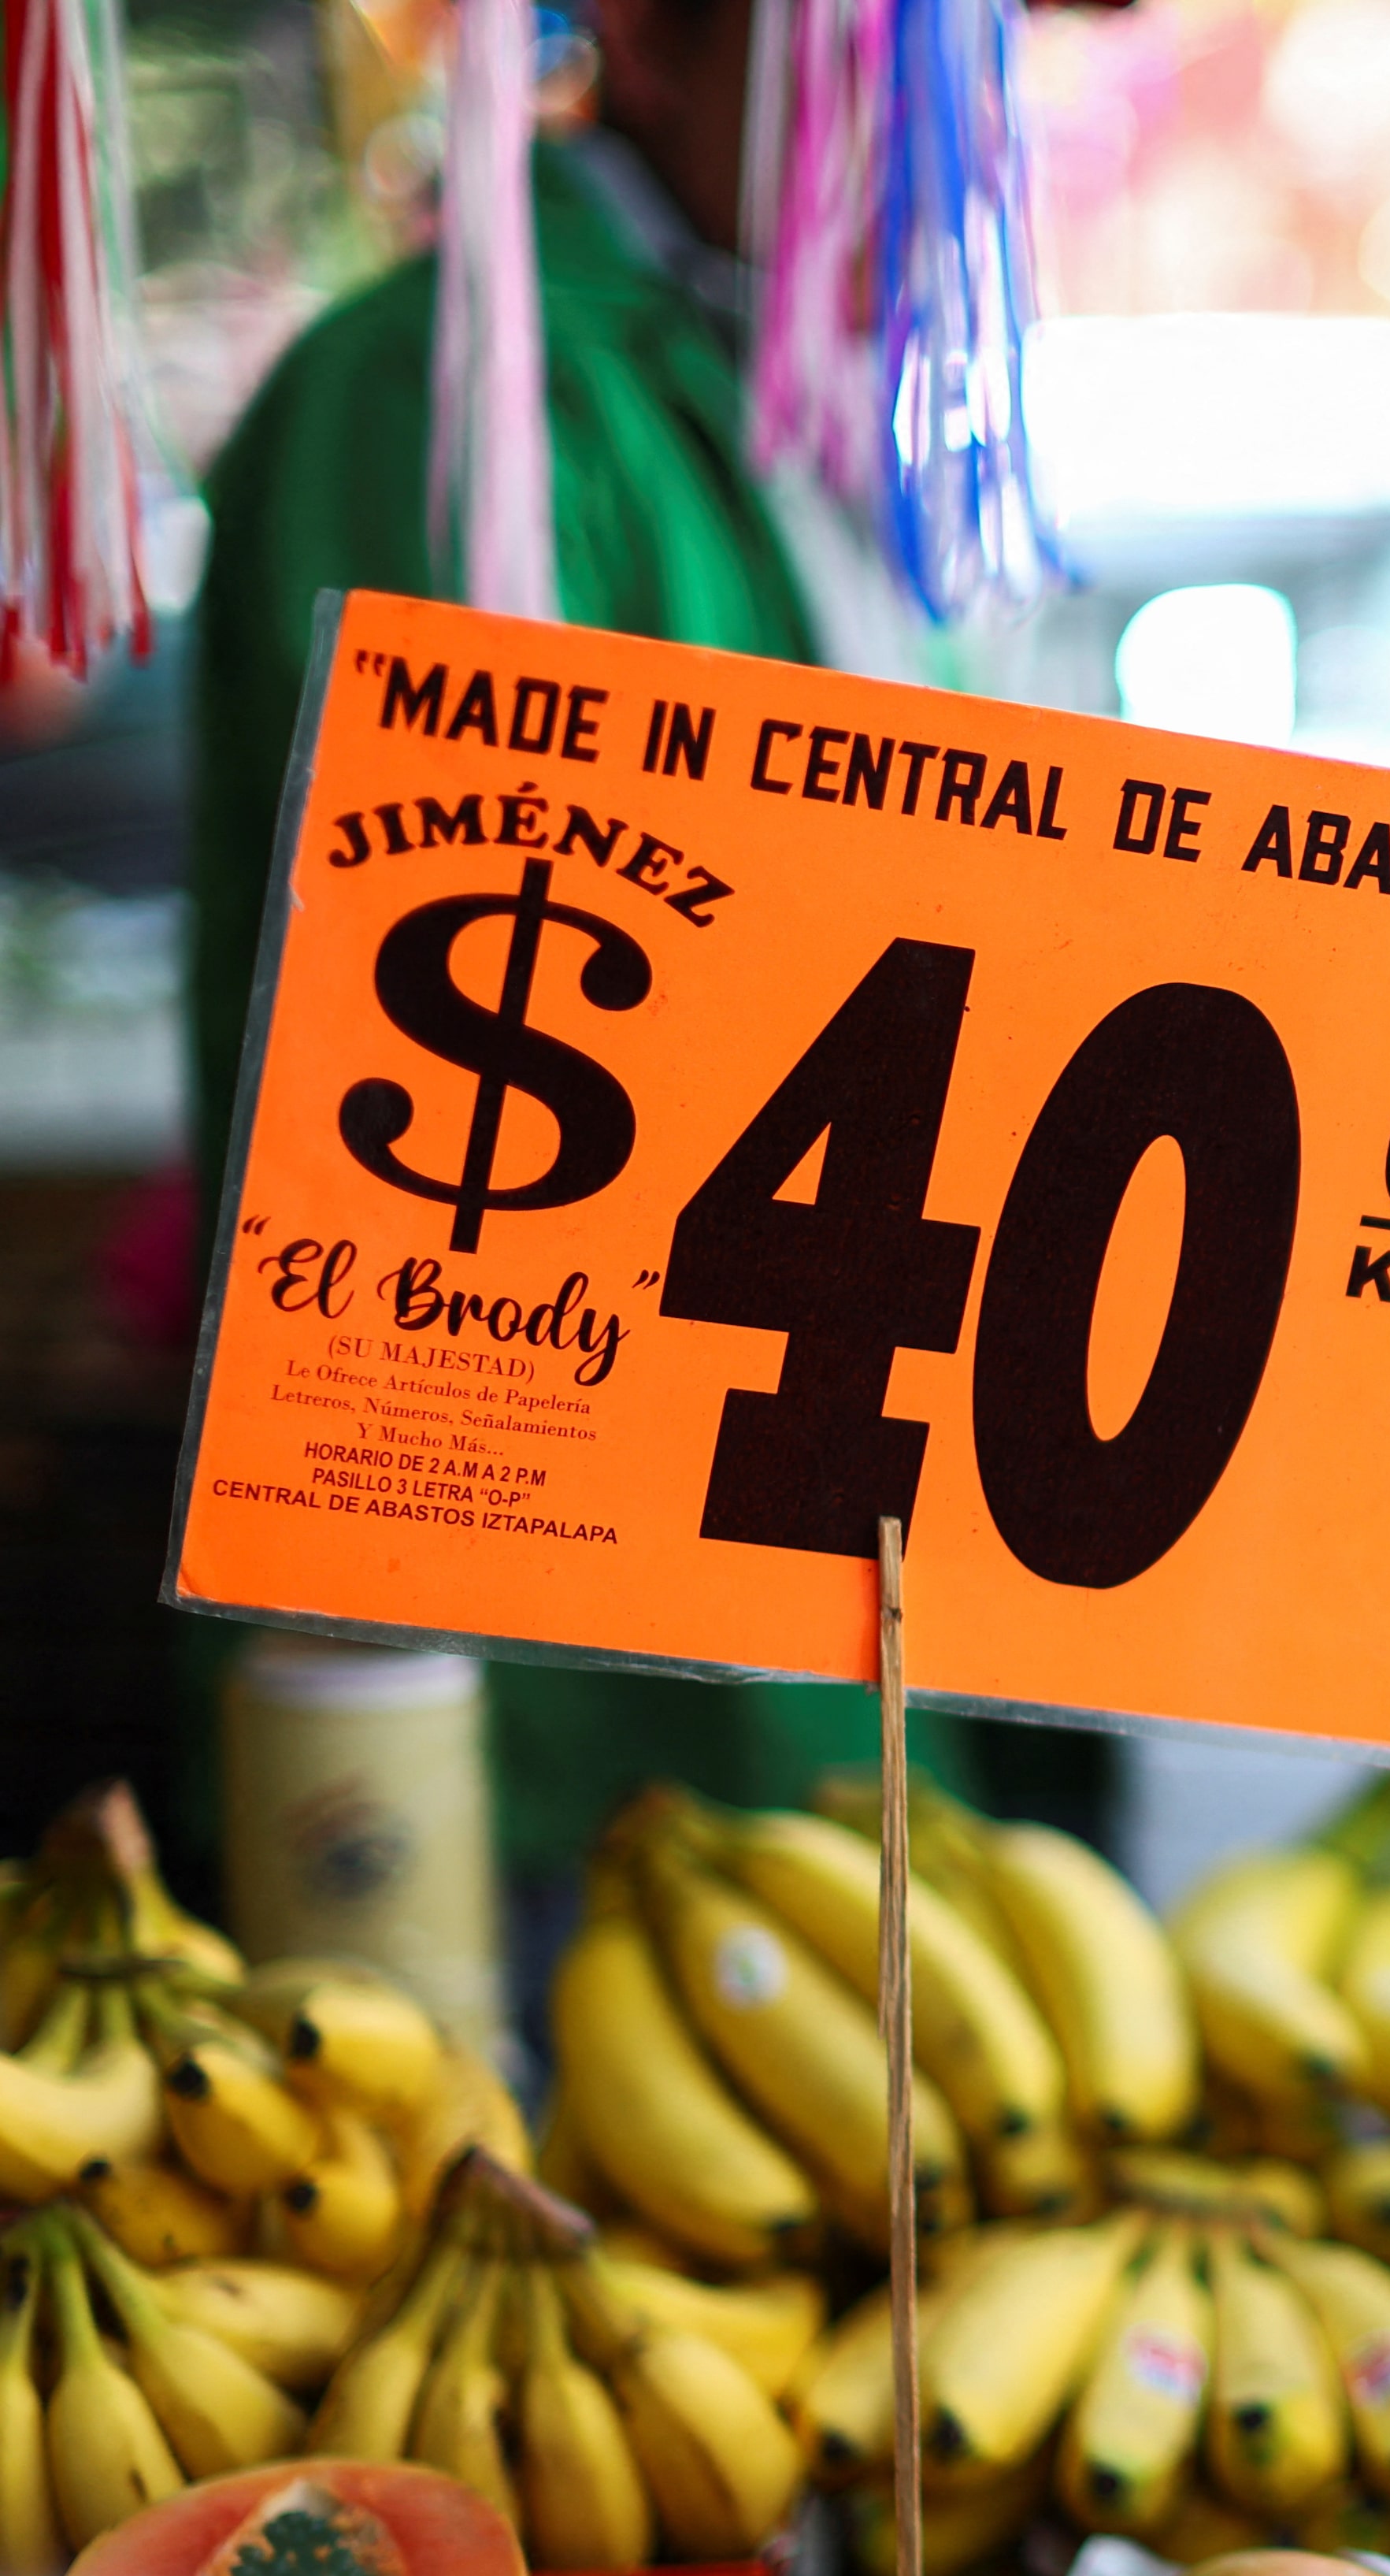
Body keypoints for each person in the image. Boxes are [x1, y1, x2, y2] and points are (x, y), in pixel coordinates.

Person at [181, 0, 1105, 2003]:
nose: (952, 112)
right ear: (666, 54)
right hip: (549, 1684)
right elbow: (464, 1037)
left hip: (826, 1565)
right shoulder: (454, 392)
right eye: (881, 48)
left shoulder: (814, 398)